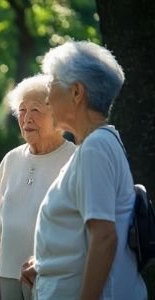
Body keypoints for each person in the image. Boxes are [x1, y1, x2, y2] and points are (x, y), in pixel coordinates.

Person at [21, 41, 147, 299]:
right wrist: (46, 265)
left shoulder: (95, 149)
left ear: (77, 92)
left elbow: (104, 238)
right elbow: (82, 233)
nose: (47, 96)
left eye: (52, 84)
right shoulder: (99, 143)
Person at [0, 75, 76, 300]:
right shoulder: (11, 159)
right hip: (6, 277)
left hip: (53, 279)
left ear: (58, 116)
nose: (26, 118)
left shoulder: (76, 160)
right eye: (22, 110)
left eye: (35, 110)